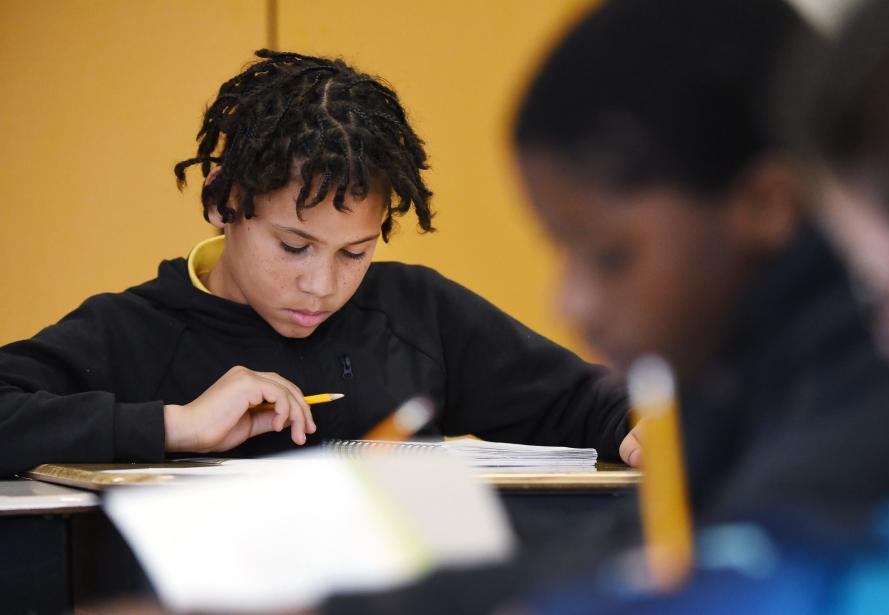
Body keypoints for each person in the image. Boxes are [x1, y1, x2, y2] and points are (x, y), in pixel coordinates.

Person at [0, 49, 635, 478]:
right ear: (223, 200)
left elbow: (586, 404)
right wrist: (175, 426)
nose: (321, 286)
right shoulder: (132, 331)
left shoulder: (418, 312)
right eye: (293, 246)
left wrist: (644, 429)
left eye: (355, 253)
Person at [511, 0, 889, 532]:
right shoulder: (726, 381)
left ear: (769, 204)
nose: (571, 305)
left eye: (610, 257)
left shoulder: (875, 410)